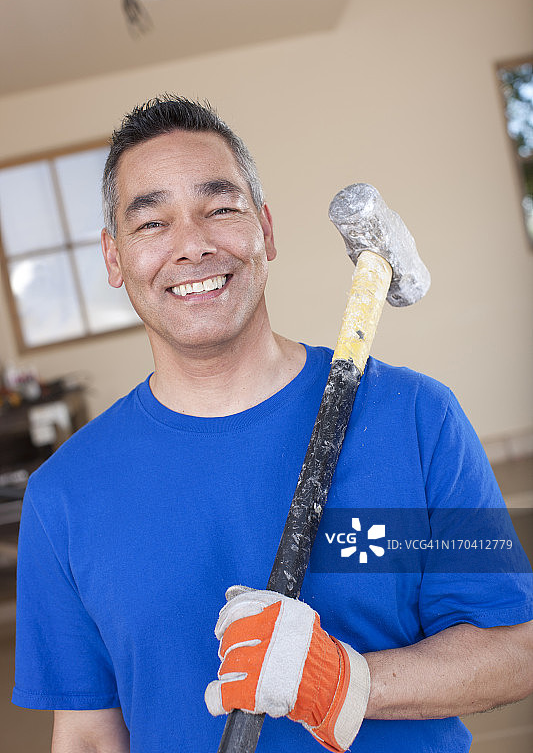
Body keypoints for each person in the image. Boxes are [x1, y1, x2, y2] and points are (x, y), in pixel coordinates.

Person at [12, 95, 533, 753]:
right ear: (114, 260)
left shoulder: (415, 417)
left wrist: (349, 681)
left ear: (265, 229)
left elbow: (515, 651)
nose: (193, 245)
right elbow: (87, 735)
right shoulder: (65, 493)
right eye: (152, 223)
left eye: (219, 208)